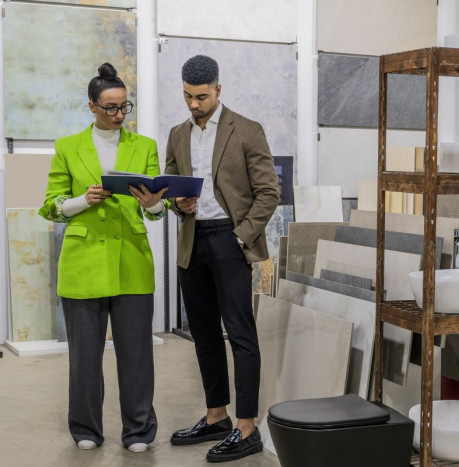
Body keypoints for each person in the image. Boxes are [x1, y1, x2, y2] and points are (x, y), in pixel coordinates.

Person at [39, 63, 168, 453]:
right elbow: (50, 206)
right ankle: (85, 428)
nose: (117, 115)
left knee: (137, 356)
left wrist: (155, 205)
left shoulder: (144, 146)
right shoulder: (67, 147)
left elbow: (156, 210)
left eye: (123, 107)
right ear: (92, 106)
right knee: (84, 358)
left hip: (131, 259)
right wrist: (83, 200)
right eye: (109, 107)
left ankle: (139, 431)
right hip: (83, 264)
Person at [165, 55, 279, 463]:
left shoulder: (247, 130)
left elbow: (269, 193)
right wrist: (178, 203)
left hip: (230, 243)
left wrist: (239, 238)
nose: (194, 105)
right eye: (187, 96)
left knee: (241, 336)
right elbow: (171, 185)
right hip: (192, 241)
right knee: (204, 335)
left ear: (218, 89)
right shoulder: (178, 134)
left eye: (201, 96)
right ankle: (217, 416)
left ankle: (246, 426)